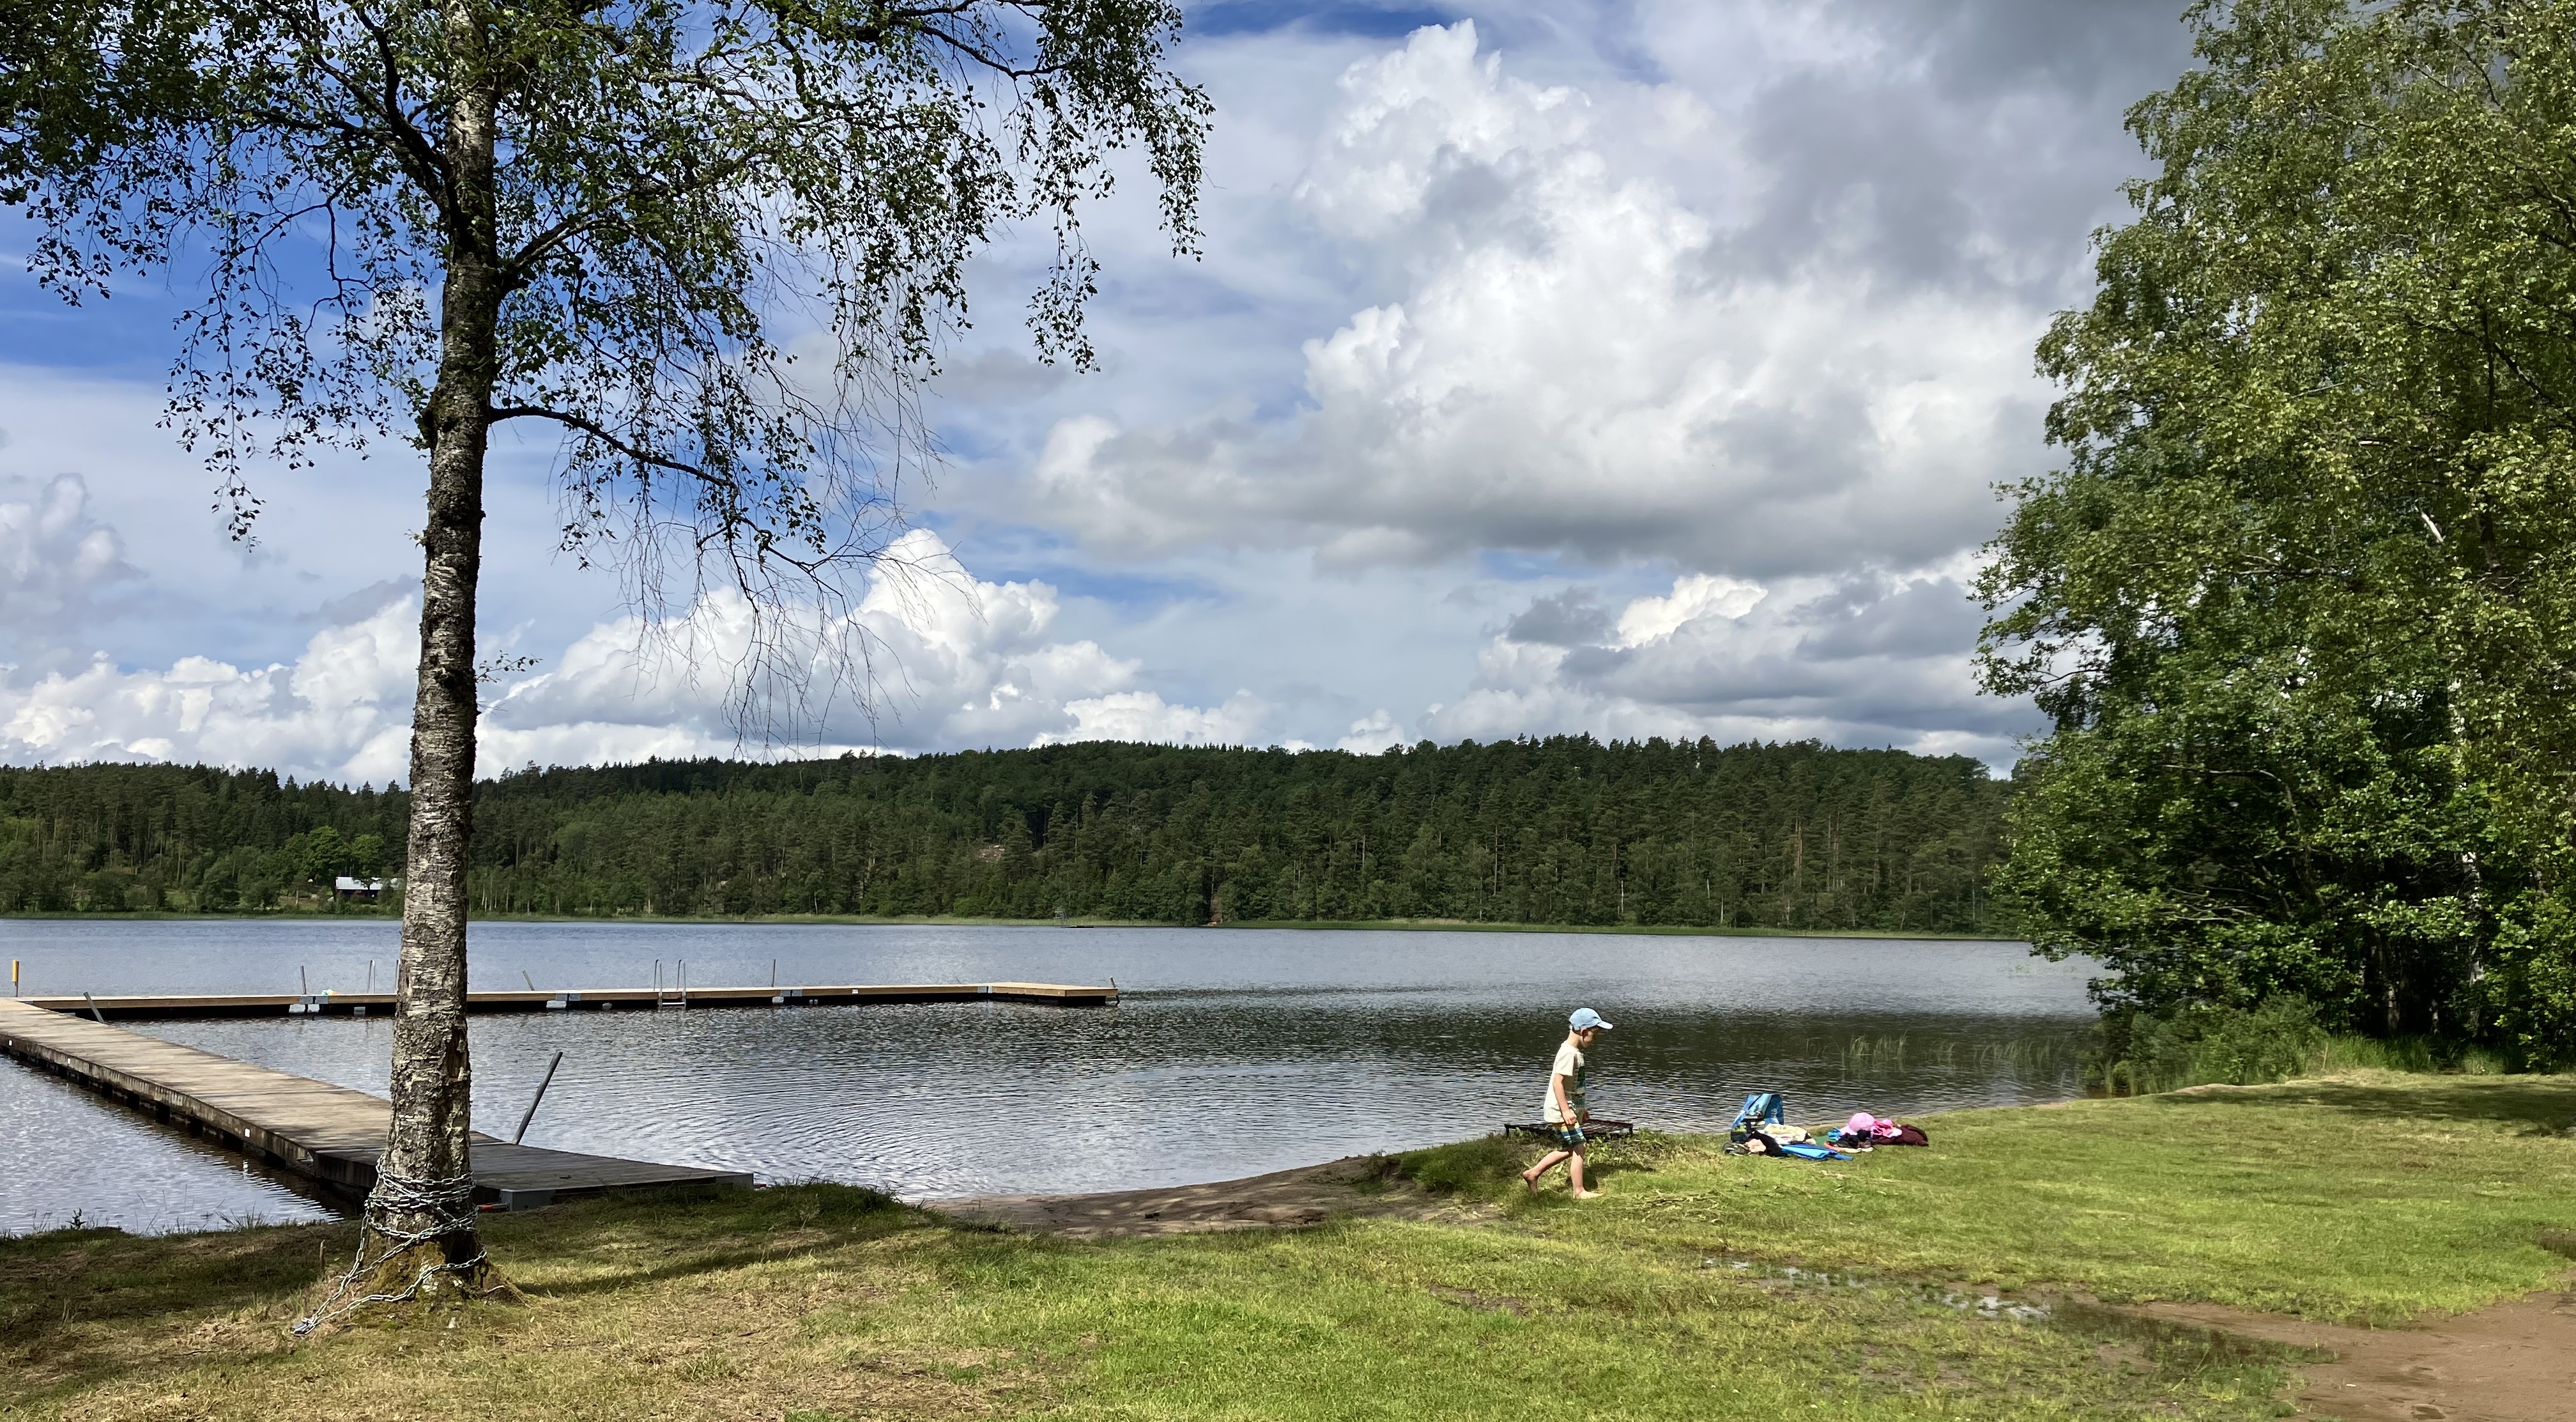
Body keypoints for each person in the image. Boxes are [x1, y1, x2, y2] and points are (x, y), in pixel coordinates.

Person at [1522, 1007, 1611, 1198]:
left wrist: (1582, 1108)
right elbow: (1557, 1082)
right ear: (1584, 1032)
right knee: (1580, 1146)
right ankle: (1578, 1191)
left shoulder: (1574, 1052)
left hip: (1570, 1108)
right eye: (1595, 1035)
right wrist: (1566, 1111)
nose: (1596, 1039)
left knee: (1571, 1148)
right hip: (1562, 1110)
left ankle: (1533, 1174)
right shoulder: (1568, 1053)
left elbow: (1574, 1086)